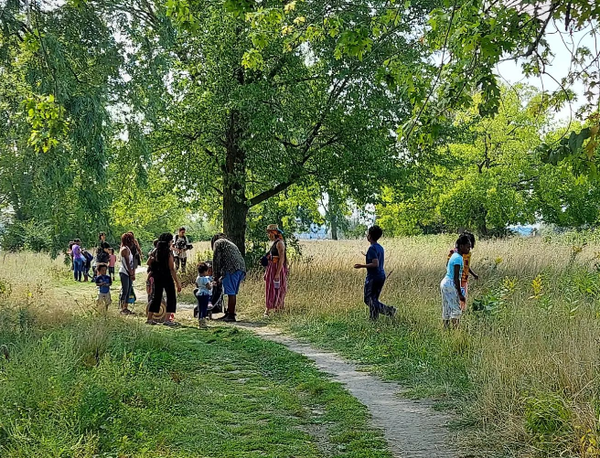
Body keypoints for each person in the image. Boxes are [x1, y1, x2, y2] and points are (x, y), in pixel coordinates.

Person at [353, 225, 396, 320]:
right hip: (381, 276)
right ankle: (373, 319)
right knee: (374, 299)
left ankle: (389, 310)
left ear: (370, 236)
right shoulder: (379, 247)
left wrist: (361, 266)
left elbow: (375, 264)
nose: (367, 236)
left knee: (368, 299)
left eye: (368, 234)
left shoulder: (372, 248)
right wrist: (367, 255)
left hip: (373, 277)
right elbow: (377, 258)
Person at [147, 233, 182, 326]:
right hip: (166, 276)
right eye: (171, 241)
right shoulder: (168, 252)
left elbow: (148, 262)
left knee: (156, 297)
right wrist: (177, 282)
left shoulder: (155, 251)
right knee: (171, 297)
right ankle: (167, 319)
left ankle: (149, 318)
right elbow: (172, 268)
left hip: (157, 276)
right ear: (168, 241)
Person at [211, 233, 246, 322]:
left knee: (231, 293)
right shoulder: (229, 243)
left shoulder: (218, 243)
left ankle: (230, 315)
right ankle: (230, 313)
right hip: (241, 268)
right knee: (233, 292)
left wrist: (215, 276)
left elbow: (216, 260)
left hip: (231, 269)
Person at [442, 235, 471, 329]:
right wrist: (460, 294)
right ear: (461, 246)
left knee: (446, 307)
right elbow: (456, 278)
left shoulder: (454, 255)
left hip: (445, 282)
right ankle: (456, 332)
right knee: (456, 310)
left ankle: (446, 329)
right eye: (467, 246)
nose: (469, 249)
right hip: (451, 283)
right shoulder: (458, 258)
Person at [447, 231, 479, 311]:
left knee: (462, 297)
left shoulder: (467, 253)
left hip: (464, 278)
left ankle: (461, 311)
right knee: (456, 297)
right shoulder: (454, 253)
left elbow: (466, 266)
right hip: (456, 279)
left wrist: (473, 274)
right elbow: (448, 265)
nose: (469, 247)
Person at [264, 224, 288, 317]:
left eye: (269, 233)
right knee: (270, 288)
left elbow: (281, 258)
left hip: (277, 268)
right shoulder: (274, 243)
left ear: (273, 233)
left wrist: (277, 273)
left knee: (278, 288)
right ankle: (269, 308)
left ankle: (278, 308)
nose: (268, 235)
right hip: (271, 267)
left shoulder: (280, 243)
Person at [119, 233, 136, 315]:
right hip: (125, 272)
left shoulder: (128, 249)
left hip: (128, 272)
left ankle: (126, 307)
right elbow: (127, 263)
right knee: (125, 290)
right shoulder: (125, 249)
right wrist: (131, 273)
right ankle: (122, 308)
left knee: (129, 290)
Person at [195, 262, 213, 327]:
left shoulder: (198, 278)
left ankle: (200, 319)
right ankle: (203, 321)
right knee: (204, 308)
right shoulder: (205, 279)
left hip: (199, 293)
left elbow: (196, 285)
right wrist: (211, 284)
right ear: (204, 271)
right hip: (205, 294)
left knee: (200, 307)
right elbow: (209, 287)